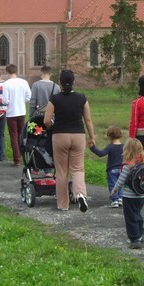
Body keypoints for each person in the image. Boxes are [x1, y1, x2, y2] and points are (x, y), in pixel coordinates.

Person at [44, 70, 95, 213]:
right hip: (78, 135)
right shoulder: (81, 98)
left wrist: (51, 127)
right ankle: (80, 194)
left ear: (60, 82)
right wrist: (92, 136)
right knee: (78, 169)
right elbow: (88, 120)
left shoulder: (55, 99)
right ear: (74, 82)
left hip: (60, 135)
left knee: (61, 171)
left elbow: (46, 120)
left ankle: (63, 204)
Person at [110, 138, 144, 249]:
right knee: (137, 214)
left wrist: (114, 190)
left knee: (130, 217)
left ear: (127, 151)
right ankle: (140, 233)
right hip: (141, 196)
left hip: (129, 196)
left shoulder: (127, 167)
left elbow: (121, 181)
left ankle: (135, 239)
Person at [3, 64, 31, 167]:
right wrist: (21, 101)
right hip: (21, 111)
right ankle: (24, 156)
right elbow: (29, 96)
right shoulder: (23, 82)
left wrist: (11, 102)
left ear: (7, 72)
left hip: (11, 112)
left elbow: (5, 100)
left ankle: (17, 159)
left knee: (13, 135)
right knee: (21, 134)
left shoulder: (6, 84)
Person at [89, 125, 124, 208]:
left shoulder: (110, 146)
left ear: (109, 137)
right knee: (120, 184)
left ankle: (115, 200)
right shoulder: (124, 146)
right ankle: (120, 198)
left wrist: (93, 148)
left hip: (112, 170)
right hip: (122, 169)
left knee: (113, 184)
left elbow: (101, 154)